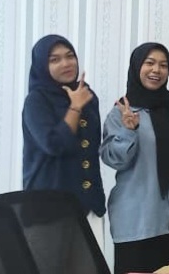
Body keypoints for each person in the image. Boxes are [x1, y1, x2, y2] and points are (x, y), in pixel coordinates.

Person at [101, 42, 169, 274]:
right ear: (136, 67)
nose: (156, 70)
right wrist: (128, 131)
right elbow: (113, 159)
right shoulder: (122, 110)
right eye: (149, 63)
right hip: (137, 221)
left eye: (163, 65)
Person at [22, 34, 106, 219]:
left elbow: (91, 150)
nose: (66, 63)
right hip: (49, 207)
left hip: (89, 204)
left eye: (70, 56)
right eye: (55, 60)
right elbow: (54, 145)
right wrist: (75, 107)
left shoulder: (86, 95)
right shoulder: (37, 100)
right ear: (42, 66)